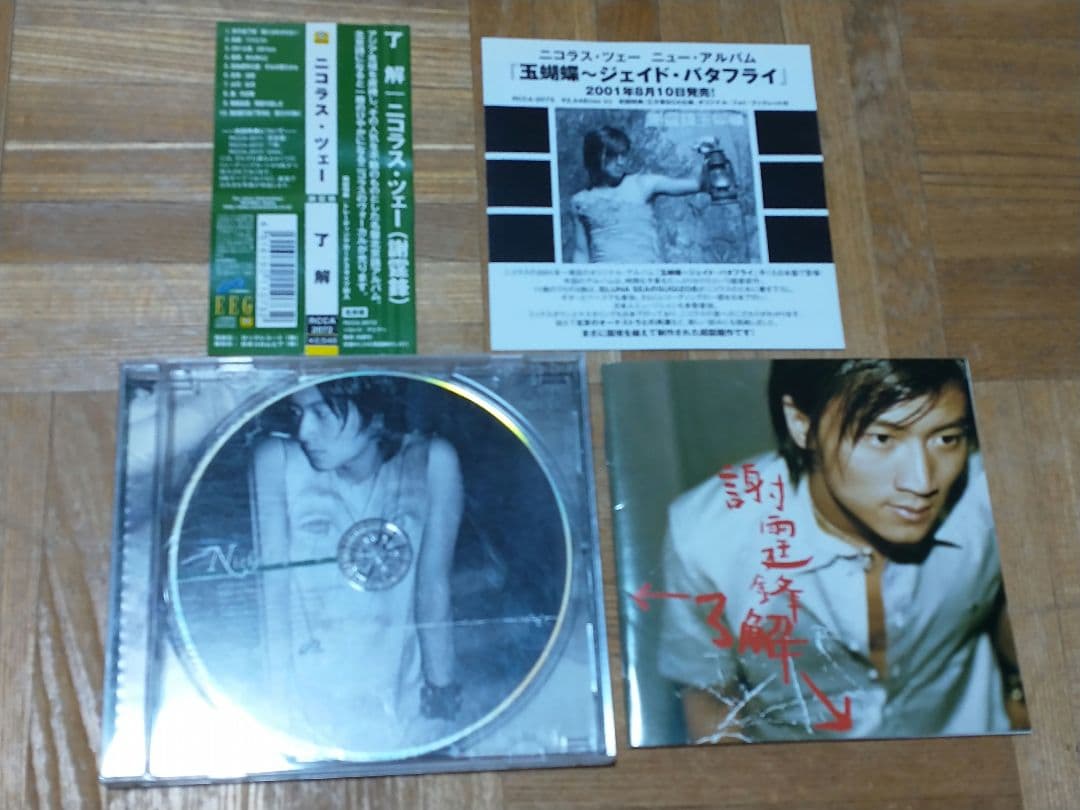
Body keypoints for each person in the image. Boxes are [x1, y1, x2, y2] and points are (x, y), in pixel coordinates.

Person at [659, 359, 1027, 743]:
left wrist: (1021, 697)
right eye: (882, 439)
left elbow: (1010, 610)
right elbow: (708, 692)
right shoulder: (706, 539)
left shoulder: (991, 496)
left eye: (946, 439)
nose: (922, 482)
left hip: (967, 738)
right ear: (801, 423)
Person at [251, 374, 464, 753]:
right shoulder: (276, 461)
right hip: (308, 699)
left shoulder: (432, 461)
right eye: (298, 413)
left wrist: (442, 700)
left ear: (375, 410)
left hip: (401, 695)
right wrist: (277, 706)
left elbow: (433, 589)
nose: (304, 431)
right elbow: (273, 595)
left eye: (321, 412)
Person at [570, 125, 705, 263]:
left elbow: (697, 184)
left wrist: (710, 154)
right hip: (605, 275)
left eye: (623, 155)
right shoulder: (580, 201)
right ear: (594, 156)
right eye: (612, 155)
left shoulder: (643, 184)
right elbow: (581, 252)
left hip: (646, 273)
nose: (620, 162)